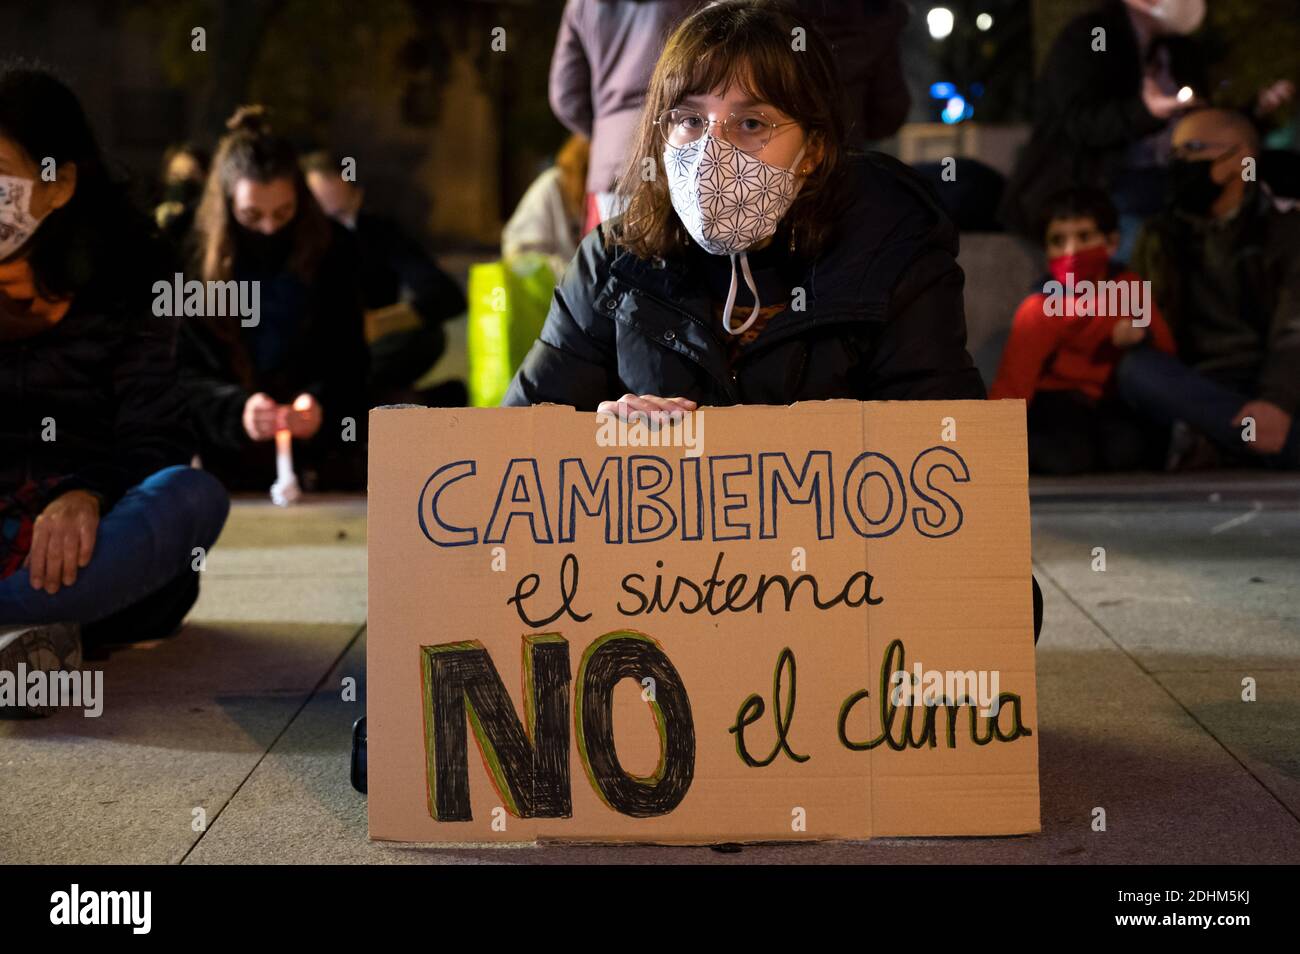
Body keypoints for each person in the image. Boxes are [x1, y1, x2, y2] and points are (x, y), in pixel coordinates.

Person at [509, 0, 1043, 640]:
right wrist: (595, 439)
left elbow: (945, 471)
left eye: (752, 123)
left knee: (1003, 600)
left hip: (833, 586)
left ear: (814, 150)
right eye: (688, 120)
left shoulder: (893, 256)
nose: (712, 151)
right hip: (657, 587)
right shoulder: (614, 263)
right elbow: (513, 459)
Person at [0, 66, 229, 706]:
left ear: (60, 183)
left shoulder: (131, 278)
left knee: (191, 495)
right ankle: (37, 632)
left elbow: (155, 434)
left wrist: (86, 495)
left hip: (90, 541)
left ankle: (35, 625)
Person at [180, 107, 369, 492]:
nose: (268, 229)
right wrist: (236, 411)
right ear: (228, 206)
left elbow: (352, 362)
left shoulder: (333, 250)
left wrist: (321, 405)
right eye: (252, 216)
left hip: (317, 459)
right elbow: (174, 374)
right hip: (219, 463)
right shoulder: (187, 257)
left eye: (282, 214)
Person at [1121, 107, 1300, 468]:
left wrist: (1276, 400)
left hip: (1266, 375)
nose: (1179, 163)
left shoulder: (1284, 228)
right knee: (1135, 370)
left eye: (1194, 149)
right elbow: (1143, 312)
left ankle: (1226, 438)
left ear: (1241, 159)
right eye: (1174, 154)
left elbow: (1294, 331)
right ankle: (1253, 440)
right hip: (1195, 384)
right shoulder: (1161, 233)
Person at [1000, 0, 1210, 258]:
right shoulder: (1092, 36)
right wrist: (1144, 113)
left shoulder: (1176, 48)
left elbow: (1200, 114)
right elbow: (1080, 123)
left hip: (1171, 181)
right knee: (1114, 267)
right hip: (1102, 188)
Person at [990, 188, 1177, 474]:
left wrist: (1142, 338)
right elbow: (1013, 386)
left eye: (1084, 237)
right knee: (1067, 457)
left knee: (1128, 451)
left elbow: (1166, 360)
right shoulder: (1041, 307)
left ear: (1111, 242)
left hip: (1113, 404)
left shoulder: (1130, 289)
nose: (1071, 251)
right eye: (1058, 241)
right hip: (1059, 404)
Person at [303, 149, 467, 406]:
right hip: (315, 356)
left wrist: (377, 323)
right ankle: (406, 402)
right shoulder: (299, 244)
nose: (335, 230)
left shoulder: (377, 234)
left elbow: (446, 295)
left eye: (342, 216)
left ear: (357, 197)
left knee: (427, 336)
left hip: (368, 353)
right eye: (324, 217)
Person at [502, 133, 589, 273]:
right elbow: (520, 250)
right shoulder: (552, 185)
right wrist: (572, 274)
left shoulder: (584, 191)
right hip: (544, 286)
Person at [155, 141, 209, 249]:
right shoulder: (156, 216)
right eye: (175, 175)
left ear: (205, 178)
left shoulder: (211, 220)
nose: (183, 182)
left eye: (192, 175)